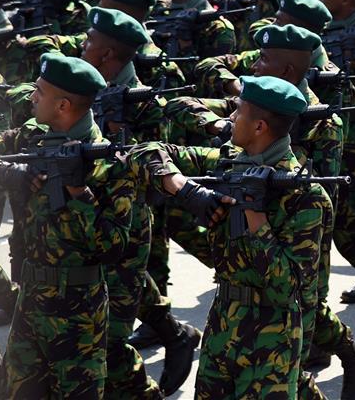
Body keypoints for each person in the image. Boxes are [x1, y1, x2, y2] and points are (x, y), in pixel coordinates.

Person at [128, 75, 330, 398]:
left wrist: (255, 215)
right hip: (223, 321)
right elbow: (145, 152)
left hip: (272, 336)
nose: (231, 118)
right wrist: (185, 189)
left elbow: (288, 287)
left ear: (260, 127)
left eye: (238, 112)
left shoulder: (304, 196)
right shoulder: (227, 163)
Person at [0, 53, 131, 398]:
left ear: (63, 105)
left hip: (79, 311)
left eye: (39, 91)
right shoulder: (31, 139)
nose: (32, 97)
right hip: (30, 300)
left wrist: (79, 192)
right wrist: (6, 171)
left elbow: (113, 247)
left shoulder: (108, 162)